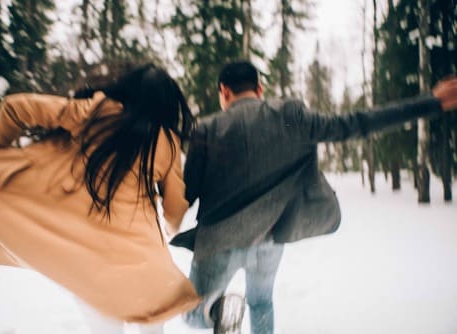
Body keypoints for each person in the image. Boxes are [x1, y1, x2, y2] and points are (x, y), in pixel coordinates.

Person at [170, 60, 457, 334]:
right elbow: (356, 123)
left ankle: (218, 309)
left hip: (222, 242)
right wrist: (431, 102)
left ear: (224, 92)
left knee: (193, 313)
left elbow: (188, 191)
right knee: (260, 302)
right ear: (259, 90)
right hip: (271, 238)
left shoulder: (206, 129)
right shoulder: (290, 116)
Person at [0, 63, 201, 333]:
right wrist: (170, 226)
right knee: (155, 317)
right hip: (141, 258)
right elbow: (175, 208)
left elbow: (14, 107)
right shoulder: (166, 141)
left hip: (87, 258)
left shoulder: (95, 112)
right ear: (168, 105)